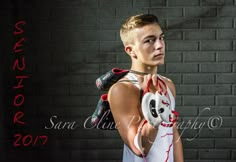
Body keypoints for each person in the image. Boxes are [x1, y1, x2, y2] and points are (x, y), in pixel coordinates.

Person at [107, 14, 184, 162]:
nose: (160, 45)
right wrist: (155, 103)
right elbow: (139, 149)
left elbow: (173, 135)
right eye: (149, 40)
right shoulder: (122, 89)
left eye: (161, 38)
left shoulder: (168, 84)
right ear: (130, 50)